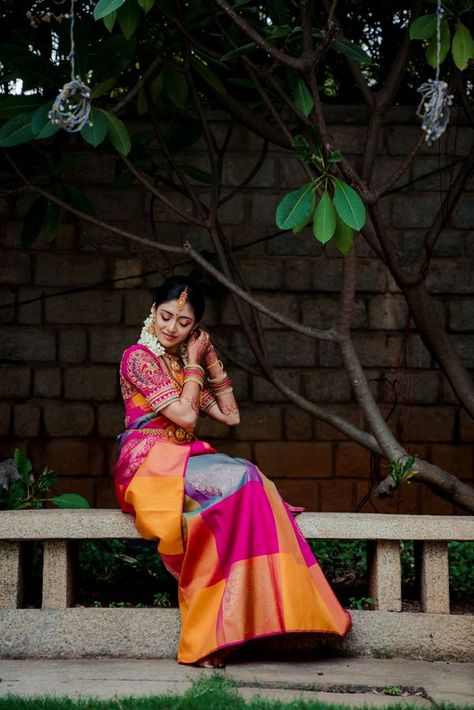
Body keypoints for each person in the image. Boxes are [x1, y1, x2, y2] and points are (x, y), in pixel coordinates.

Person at [114, 275, 352, 668]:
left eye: (184, 322)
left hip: (181, 461)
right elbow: (187, 417)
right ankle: (212, 635)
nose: (171, 328)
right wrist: (193, 364)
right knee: (241, 480)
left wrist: (208, 361)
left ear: (196, 328)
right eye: (165, 316)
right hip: (147, 465)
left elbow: (230, 416)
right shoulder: (138, 357)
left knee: (249, 478)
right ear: (152, 313)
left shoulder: (178, 363)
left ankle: (237, 625)